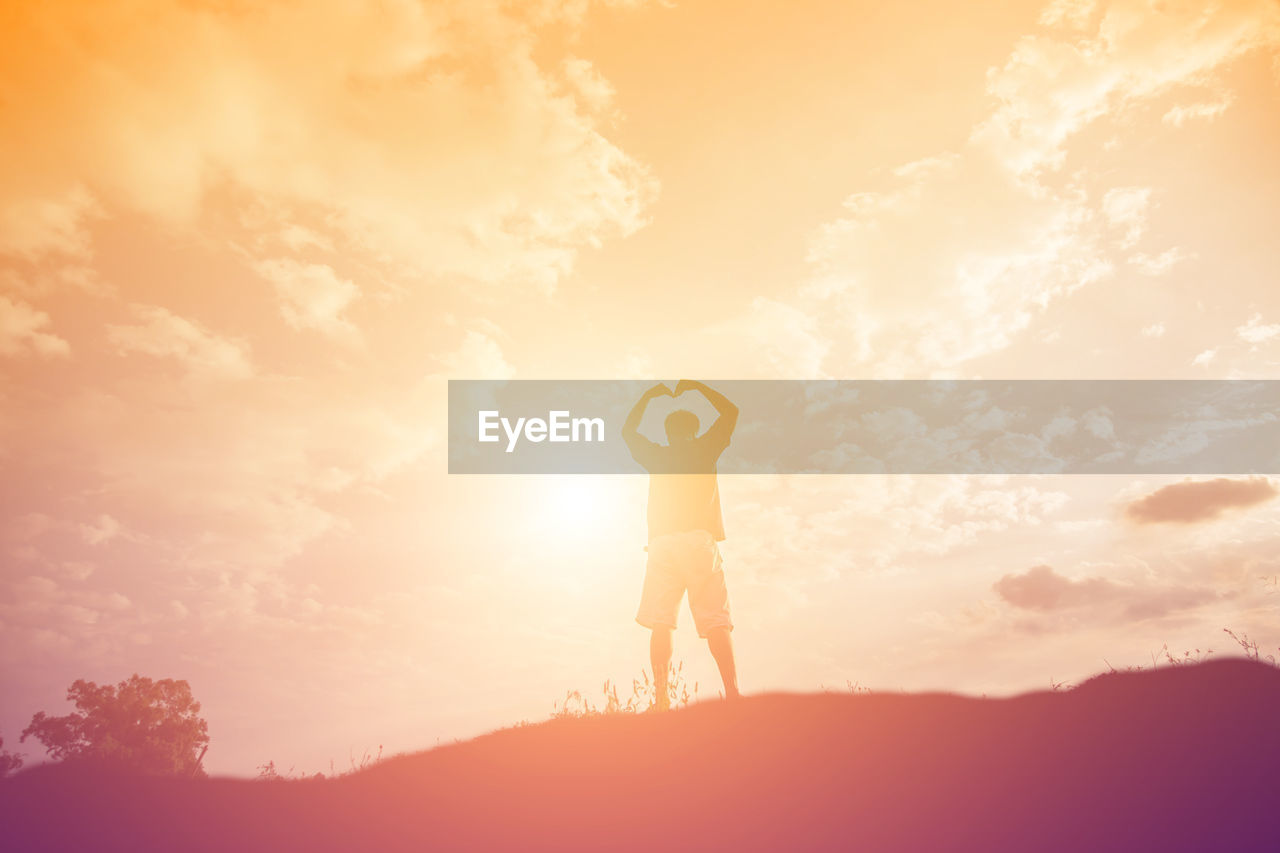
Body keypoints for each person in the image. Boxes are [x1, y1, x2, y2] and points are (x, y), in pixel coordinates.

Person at [622, 379, 740, 709]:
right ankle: (731, 692)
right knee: (715, 618)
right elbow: (732, 411)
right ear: (694, 429)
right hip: (697, 541)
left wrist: (647, 396)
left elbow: (628, 432)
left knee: (661, 622)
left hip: (662, 545)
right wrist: (699, 388)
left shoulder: (657, 455)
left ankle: (661, 697)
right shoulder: (706, 448)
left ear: (668, 433)